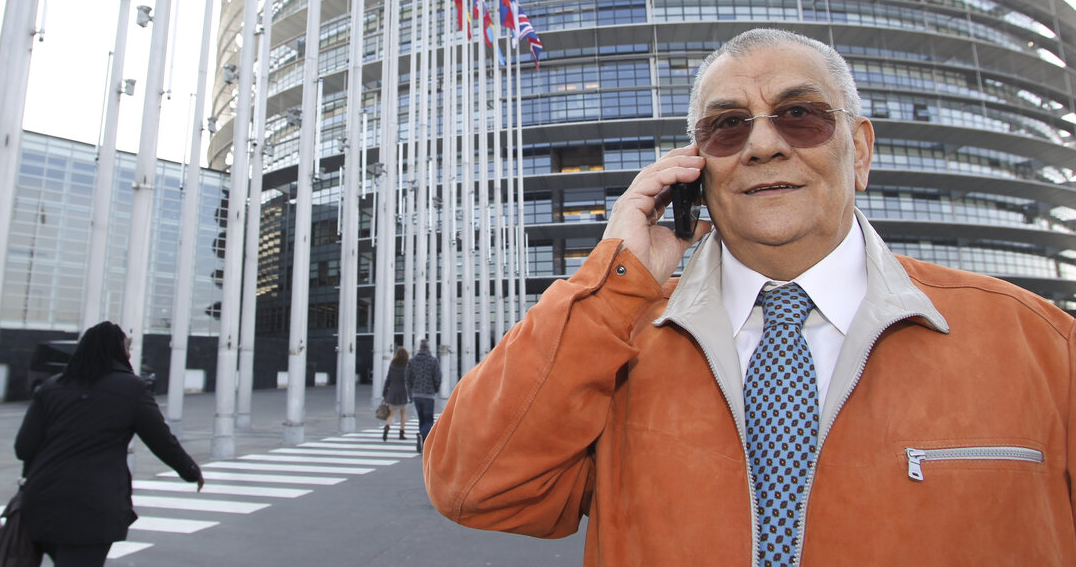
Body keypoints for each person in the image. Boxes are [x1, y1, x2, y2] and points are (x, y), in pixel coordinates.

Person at [423, 28, 1076, 565]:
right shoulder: (618, 340)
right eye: (728, 127)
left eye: (799, 115)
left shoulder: (1037, 342)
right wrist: (612, 279)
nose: (763, 145)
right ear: (696, 168)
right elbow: (474, 488)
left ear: (860, 149)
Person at [15, 322, 203, 566]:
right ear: (116, 352)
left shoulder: (51, 387)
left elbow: (23, 448)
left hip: (41, 501)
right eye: (127, 348)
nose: (130, 354)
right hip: (93, 505)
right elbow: (161, 441)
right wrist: (190, 471)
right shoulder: (132, 389)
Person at [405, 339, 442, 452]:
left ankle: (422, 435)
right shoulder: (433, 361)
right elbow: (438, 377)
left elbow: (407, 378)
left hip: (417, 394)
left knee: (421, 418)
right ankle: (425, 439)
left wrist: (410, 394)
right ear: (428, 348)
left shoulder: (412, 361)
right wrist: (435, 389)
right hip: (428, 394)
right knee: (428, 419)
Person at [381, 347, 410, 441]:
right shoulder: (406, 365)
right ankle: (401, 433)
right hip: (402, 391)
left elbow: (388, 379)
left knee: (391, 414)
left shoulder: (392, 364)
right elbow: (408, 380)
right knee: (403, 413)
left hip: (392, 391)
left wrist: (384, 391)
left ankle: (386, 428)